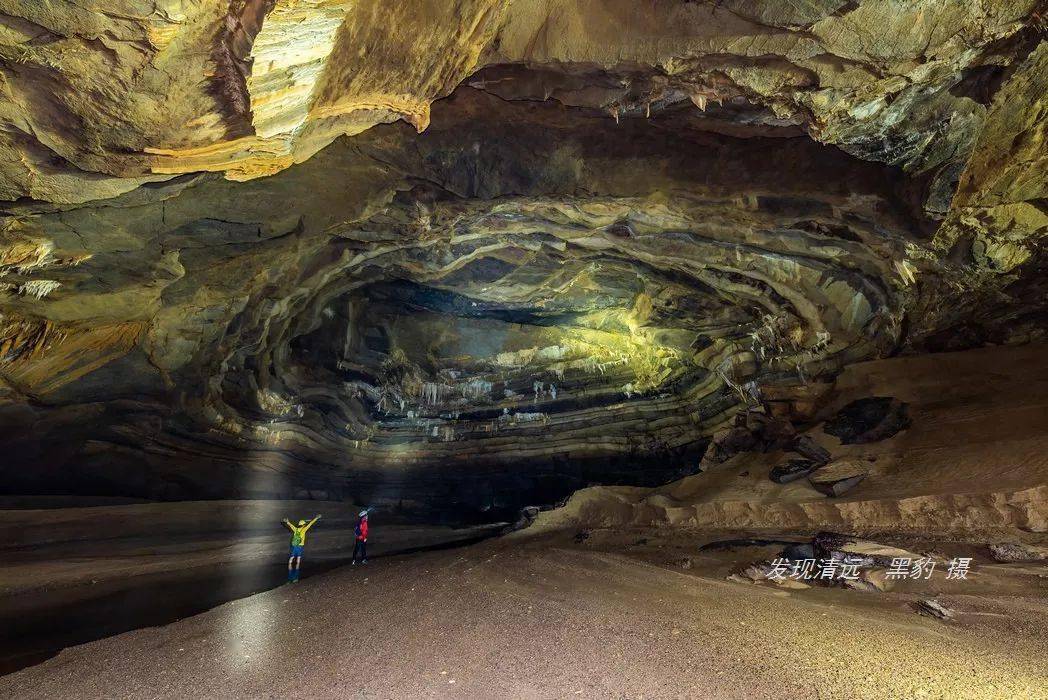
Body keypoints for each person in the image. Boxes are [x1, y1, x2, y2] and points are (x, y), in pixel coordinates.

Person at [283, 514, 321, 582]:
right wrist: (316, 518)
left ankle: (289, 578)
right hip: (300, 546)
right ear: (303, 524)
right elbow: (310, 524)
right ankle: (295, 578)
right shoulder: (304, 529)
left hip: (294, 546)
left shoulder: (296, 529)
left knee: (291, 560)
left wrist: (287, 522)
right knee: (298, 560)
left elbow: (291, 525)